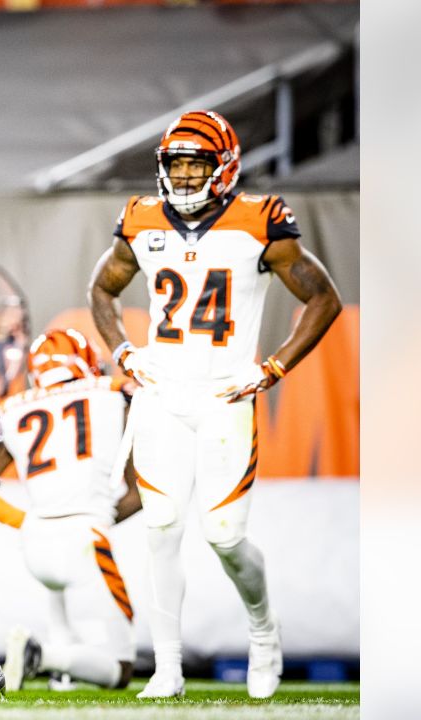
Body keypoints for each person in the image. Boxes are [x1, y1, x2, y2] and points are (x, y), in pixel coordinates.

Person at [88, 110, 343, 699]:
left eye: (194, 164)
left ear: (223, 167)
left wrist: (275, 366)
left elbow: (323, 298)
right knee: (160, 526)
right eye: (174, 165)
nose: (182, 177)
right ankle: (168, 668)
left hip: (225, 395)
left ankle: (263, 631)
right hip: (162, 396)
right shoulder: (141, 219)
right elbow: (103, 287)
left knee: (225, 535)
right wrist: (125, 352)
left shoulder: (259, 221)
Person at [0, 329, 139, 692]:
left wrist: (22, 519)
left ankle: (59, 668)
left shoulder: (13, 407)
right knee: (121, 668)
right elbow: (140, 492)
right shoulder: (113, 393)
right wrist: (102, 514)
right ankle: (41, 657)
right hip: (87, 536)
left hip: (37, 539)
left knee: (65, 632)